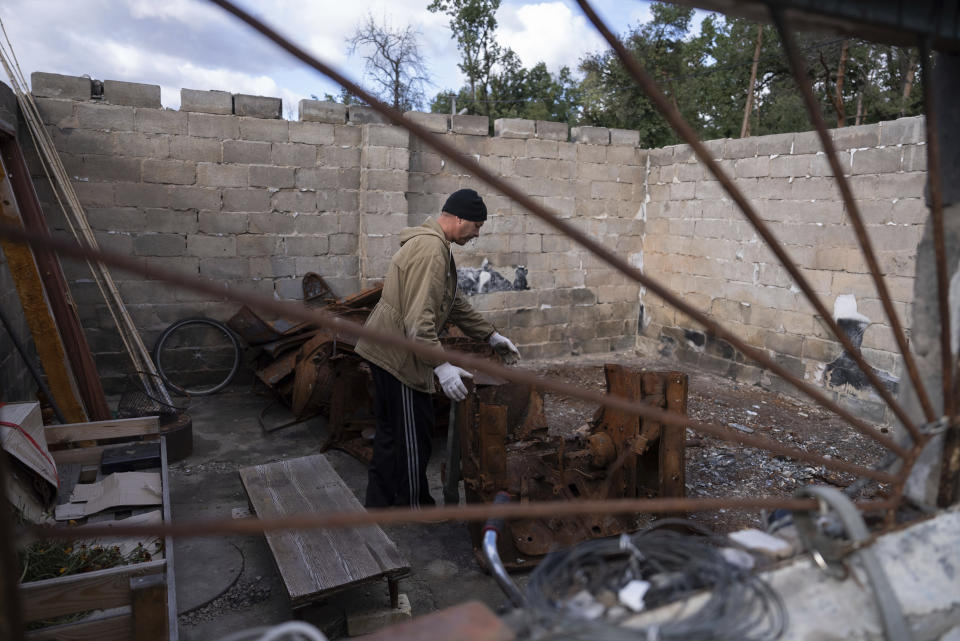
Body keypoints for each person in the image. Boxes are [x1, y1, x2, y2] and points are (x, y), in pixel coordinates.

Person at [355, 188, 521, 508]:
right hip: (398, 358)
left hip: (389, 351)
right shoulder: (431, 250)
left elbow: (454, 304)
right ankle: (416, 508)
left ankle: (378, 505)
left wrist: (490, 336)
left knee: (391, 436)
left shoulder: (435, 246)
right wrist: (441, 366)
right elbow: (419, 321)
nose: (477, 235)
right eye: (476, 227)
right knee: (413, 439)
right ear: (459, 219)